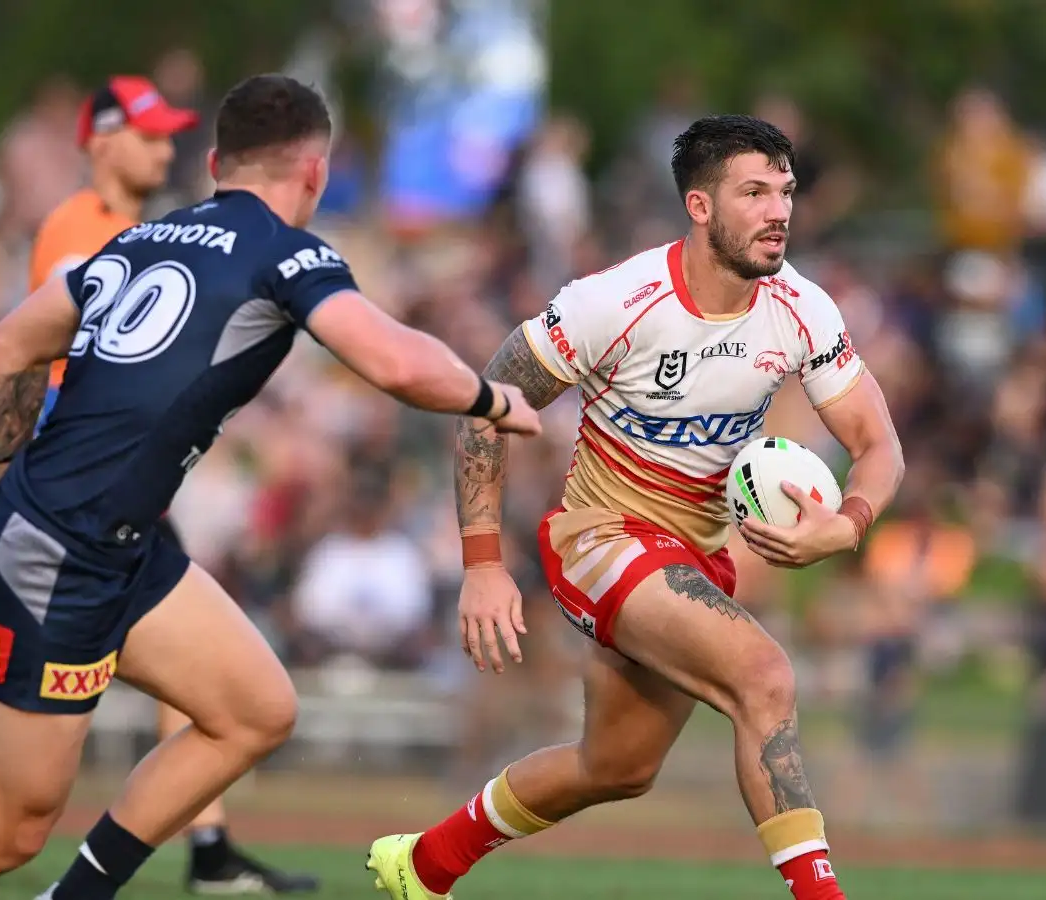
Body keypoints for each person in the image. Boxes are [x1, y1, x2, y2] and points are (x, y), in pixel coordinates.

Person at [0, 73, 541, 900]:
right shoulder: (288, 250)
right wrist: (493, 397)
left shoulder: (142, 237)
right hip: (58, 555)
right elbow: (391, 359)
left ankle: (80, 894)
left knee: (256, 708)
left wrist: (9, 470)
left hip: (99, 543)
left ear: (213, 162)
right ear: (314, 171)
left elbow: (9, 340)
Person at [366, 115, 905, 900]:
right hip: (600, 538)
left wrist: (847, 524)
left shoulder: (803, 308)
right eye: (753, 192)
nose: (778, 210)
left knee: (616, 768)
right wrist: (482, 565)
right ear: (699, 205)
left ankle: (423, 865)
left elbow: (879, 445)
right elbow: (486, 404)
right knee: (765, 676)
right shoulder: (614, 301)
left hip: (697, 558)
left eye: (785, 192)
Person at [0, 74, 319, 896]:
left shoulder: (161, 230)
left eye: (171, 137)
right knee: (6, 807)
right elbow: (36, 351)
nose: (162, 150)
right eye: (146, 134)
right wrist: (17, 478)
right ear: (98, 141)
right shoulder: (84, 230)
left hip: (111, 506)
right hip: (66, 503)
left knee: (230, 692)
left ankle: (193, 845)